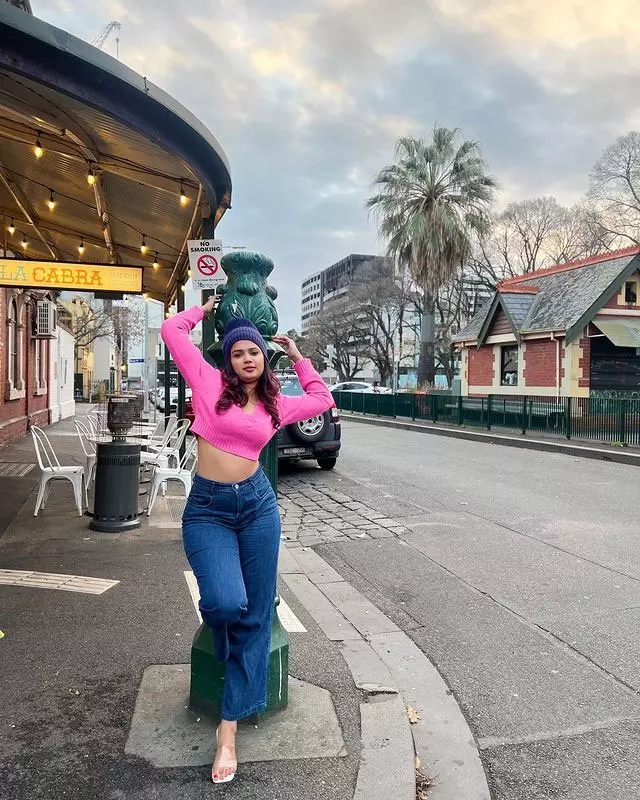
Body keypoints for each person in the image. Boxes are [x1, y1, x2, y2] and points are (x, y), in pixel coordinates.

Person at [160, 296, 333, 784]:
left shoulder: (277, 405)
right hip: (209, 510)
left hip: (257, 507)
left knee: (255, 616)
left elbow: (321, 398)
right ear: (229, 360)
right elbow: (172, 332)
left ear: (264, 356)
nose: (247, 359)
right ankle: (226, 643)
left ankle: (229, 730)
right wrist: (201, 309)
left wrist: (298, 355)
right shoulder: (208, 382)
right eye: (237, 353)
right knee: (224, 603)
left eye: (254, 351)